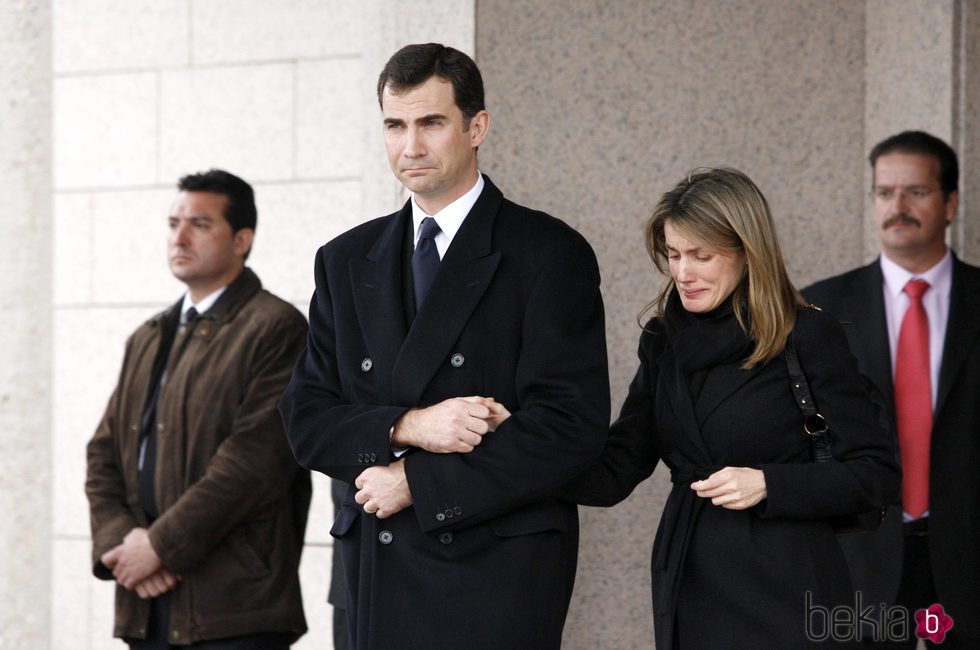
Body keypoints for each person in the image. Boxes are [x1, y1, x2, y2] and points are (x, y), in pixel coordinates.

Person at [278, 43, 609, 649]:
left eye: (431, 123)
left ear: (476, 126)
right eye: (395, 125)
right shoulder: (345, 259)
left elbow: (570, 428)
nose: (412, 147)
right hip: (374, 570)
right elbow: (306, 420)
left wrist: (420, 485)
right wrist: (409, 425)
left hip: (493, 576)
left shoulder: (548, 253)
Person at [558, 168, 900, 648]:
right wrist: (525, 443)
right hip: (689, 580)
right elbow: (617, 468)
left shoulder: (805, 336)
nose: (683, 273)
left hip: (787, 588)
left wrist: (768, 483)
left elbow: (876, 474)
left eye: (702, 256)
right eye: (674, 255)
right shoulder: (662, 342)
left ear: (747, 253)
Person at [85, 169, 311, 649]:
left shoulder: (276, 328)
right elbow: (103, 454)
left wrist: (158, 548)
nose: (179, 237)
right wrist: (121, 544)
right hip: (147, 601)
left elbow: (254, 464)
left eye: (200, 224)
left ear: (241, 239)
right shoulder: (148, 337)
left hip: (235, 606)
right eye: (173, 223)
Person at [803, 131, 980, 647]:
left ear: (951, 202)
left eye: (916, 192)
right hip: (862, 556)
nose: (897, 207)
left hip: (969, 556)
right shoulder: (820, 309)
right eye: (884, 193)